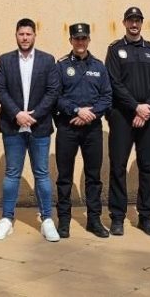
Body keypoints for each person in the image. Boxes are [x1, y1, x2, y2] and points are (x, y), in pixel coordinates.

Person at [0, 18, 62, 242]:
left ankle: (47, 219)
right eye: (21, 34)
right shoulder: (5, 60)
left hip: (38, 126)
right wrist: (17, 114)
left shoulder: (47, 60)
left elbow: (52, 92)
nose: (25, 38)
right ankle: (6, 219)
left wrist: (33, 116)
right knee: (12, 173)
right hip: (12, 126)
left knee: (41, 173)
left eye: (28, 34)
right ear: (16, 35)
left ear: (34, 35)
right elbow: (0, 89)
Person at [105, 7, 150, 236]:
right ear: (124, 23)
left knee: (147, 166)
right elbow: (114, 83)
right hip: (123, 116)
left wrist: (147, 108)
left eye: (137, 20)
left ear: (142, 23)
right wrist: (136, 107)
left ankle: (146, 216)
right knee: (119, 166)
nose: (134, 24)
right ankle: (118, 217)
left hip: (149, 117)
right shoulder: (115, 50)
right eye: (130, 20)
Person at [55, 23, 112, 239]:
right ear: (71, 40)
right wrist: (77, 111)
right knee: (64, 177)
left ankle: (94, 220)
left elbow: (107, 96)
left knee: (93, 176)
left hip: (92, 129)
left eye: (84, 38)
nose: (80, 42)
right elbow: (56, 96)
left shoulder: (99, 66)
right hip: (67, 127)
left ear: (89, 40)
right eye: (76, 38)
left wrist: (91, 114)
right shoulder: (60, 66)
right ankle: (64, 221)